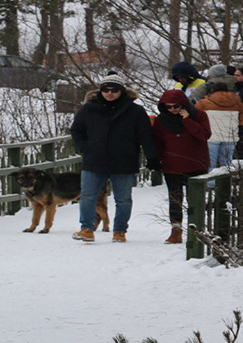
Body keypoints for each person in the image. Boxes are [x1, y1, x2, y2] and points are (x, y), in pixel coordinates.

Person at [69, 72, 158, 243]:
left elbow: (146, 135)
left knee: (123, 199)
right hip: (95, 159)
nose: (110, 93)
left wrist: (152, 157)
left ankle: (120, 231)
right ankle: (86, 228)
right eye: (106, 90)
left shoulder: (135, 111)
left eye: (114, 90)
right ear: (100, 91)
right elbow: (76, 130)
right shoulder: (89, 109)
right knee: (88, 196)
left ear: (122, 91)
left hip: (124, 159)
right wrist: (85, 147)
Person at [151, 88, 211, 244]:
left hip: (196, 163)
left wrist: (187, 120)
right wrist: (157, 160)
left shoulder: (198, 115)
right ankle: (176, 231)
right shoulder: (161, 120)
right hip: (172, 165)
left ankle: (197, 230)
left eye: (176, 106)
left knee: (195, 200)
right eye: (168, 107)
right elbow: (157, 142)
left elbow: (204, 135)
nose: (172, 110)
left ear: (183, 104)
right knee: (175, 199)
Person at [195, 75, 243, 170]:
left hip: (211, 137)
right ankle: (226, 184)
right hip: (230, 137)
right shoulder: (238, 103)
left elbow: (196, 118)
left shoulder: (203, 103)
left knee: (211, 163)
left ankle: (211, 184)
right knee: (227, 164)